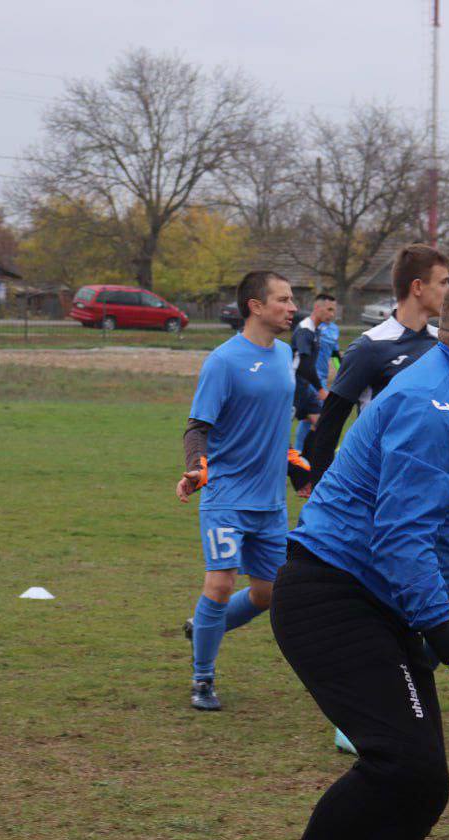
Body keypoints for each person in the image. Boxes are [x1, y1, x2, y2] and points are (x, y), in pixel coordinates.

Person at [271, 271, 449, 840]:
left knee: (419, 783)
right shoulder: (433, 407)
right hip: (333, 600)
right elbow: (401, 537)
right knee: (403, 770)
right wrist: (445, 633)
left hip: (380, 604)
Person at [175, 271, 296, 711]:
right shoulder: (224, 361)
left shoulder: (285, 356)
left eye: (291, 299)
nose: (291, 306)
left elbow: (272, 428)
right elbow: (197, 427)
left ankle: (204, 626)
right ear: (255, 306)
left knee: (268, 594)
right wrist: (194, 471)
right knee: (221, 583)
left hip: (269, 502)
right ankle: (202, 678)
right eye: (282, 299)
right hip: (226, 495)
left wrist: (297, 468)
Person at [301, 244, 449, 487]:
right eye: (443, 283)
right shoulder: (371, 346)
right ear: (418, 287)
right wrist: (320, 486)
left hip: (430, 482)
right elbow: (331, 421)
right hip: (378, 483)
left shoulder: (443, 343)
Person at [292, 293, 339, 454]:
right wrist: (320, 389)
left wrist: (340, 371)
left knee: (318, 420)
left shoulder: (330, 330)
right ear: (317, 307)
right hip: (301, 382)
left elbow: (335, 354)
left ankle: (306, 456)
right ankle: (298, 454)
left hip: (315, 380)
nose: (332, 314)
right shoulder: (305, 330)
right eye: (329, 310)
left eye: (334, 310)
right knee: (284, 427)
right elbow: (304, 365)